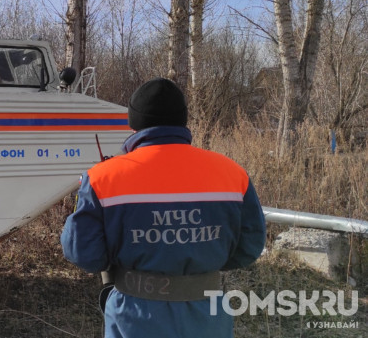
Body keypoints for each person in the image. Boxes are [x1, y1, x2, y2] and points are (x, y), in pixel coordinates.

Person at [61, 78, 266, 338]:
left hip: (134, 315)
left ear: (133, 123)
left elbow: (83, 252)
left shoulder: (102, 178)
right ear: (182, 121)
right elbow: (249, 247)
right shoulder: (232, 173)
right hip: (208, 313)